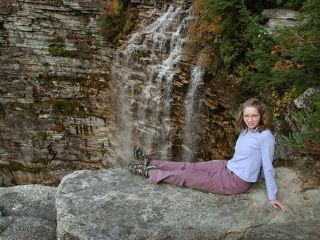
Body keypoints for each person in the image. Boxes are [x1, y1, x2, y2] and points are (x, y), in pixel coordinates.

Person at [128, 98, 289, 212]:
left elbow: (267, 165)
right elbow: (253, 160)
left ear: (262, 116)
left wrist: (272, 196)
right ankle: (152, 162)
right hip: (228, 166)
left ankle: (150, 173)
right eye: (247, 115)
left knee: (187, 177)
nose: (250, 119)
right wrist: (259, 174)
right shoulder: (245, 130)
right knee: (191, 166)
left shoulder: (265, 136)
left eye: (254, 116)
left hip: (236, 181)